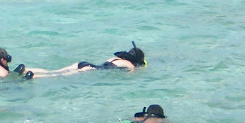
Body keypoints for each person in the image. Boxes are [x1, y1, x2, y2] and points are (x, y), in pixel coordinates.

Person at [14, 43, 147, 78]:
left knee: (54, 71)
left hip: (84, 64)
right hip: (90, 69)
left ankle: (27, 69)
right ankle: (33, 76)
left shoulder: (116, 58)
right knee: (57, 76)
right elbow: (131, 76)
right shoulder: (130, 66)